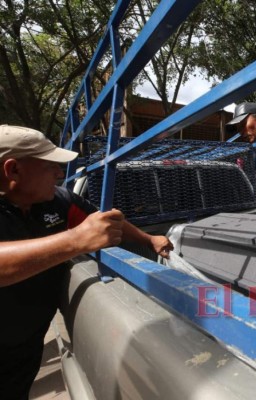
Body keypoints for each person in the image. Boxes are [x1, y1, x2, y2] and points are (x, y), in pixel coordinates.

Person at [0, 125, 173, 399]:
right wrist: (76, 240)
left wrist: (148, 239)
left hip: (27, 345)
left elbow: (105, 222)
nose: (59, 174)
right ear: (13, 170)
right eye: (49, 166)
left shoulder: (57, 201)